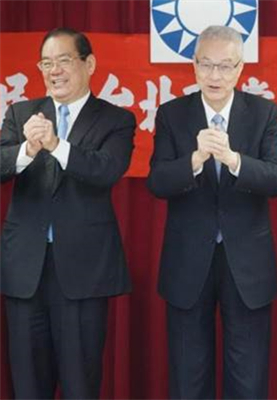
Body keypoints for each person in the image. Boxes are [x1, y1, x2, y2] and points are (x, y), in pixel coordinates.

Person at [147, 25, 277, 399]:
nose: (215, 75)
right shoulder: (172, 114)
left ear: (240, 68)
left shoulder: (262, 112)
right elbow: (157, 181)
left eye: (225, 66)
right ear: (194, 65)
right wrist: (194, 160)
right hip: (187, 262)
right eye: (207, 64)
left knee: (248, 377)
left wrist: (233, 159)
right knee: (188, 376)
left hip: (247, 265)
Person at [0, 28, 135, 398]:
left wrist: (57, 145)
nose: (54, 71)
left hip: (83, 272)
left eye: (63, 61)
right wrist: (27, 149)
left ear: (88, 64)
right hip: (25, 269)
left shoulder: (116, 119)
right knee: (27, 385)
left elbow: (106, 170)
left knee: (80, 384)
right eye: (46, 63)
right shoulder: (22, 113)